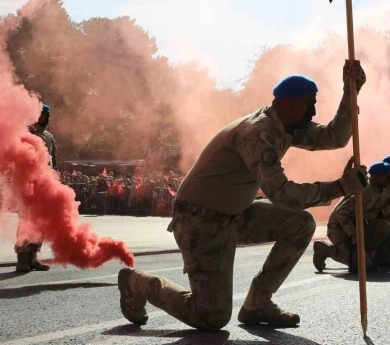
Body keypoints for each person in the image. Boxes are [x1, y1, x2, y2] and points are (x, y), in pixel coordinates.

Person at [117, 61, 368, 330]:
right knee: (211, 317)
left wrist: (350, 92)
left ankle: (257, 303)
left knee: (301, 223)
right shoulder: (257, 133)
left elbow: (334, 137)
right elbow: (282, 194)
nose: (314, 111)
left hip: (235, 214)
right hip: (199, 221)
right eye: (309, 103)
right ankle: (135, 283)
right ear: (286, 103)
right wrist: (339, 187)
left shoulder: (287, 127)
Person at [313, 161, 390, 272]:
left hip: (357, 227)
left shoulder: (379, 191)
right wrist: (353, 234)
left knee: (384, 225)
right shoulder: (366, 191)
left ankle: (364, 255)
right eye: (385, 176)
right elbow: (341, 212)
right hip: (338, 228)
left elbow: (370, 213)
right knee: (357, 264)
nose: (387, 178)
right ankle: (326, 250)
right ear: (377, 177)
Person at [15, 104, 56, 273]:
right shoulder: (24, 134)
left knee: (41, 223)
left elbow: (54, 162)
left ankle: (33, 257)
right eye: (44, 114)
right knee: (26, 222)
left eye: (47, 114)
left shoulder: (49, 137)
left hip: (45, 185)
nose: (47, 117)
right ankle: (22, 259)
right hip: (28, 185)